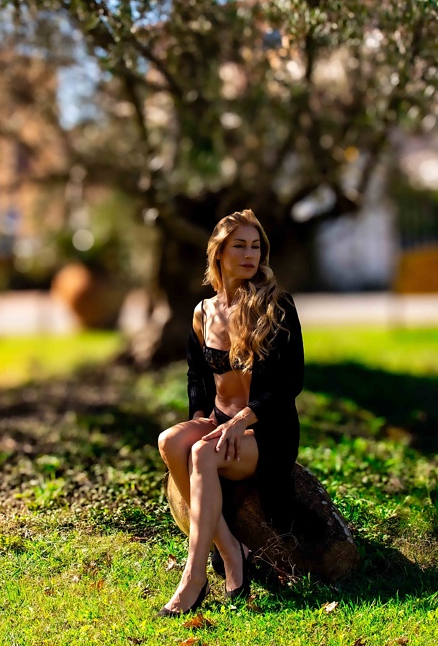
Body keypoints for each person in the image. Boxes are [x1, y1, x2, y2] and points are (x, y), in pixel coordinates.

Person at [157, 209, 304, 617]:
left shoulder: (277, 306)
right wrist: (200, 414)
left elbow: (290, 382)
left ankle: (194, 577)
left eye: (255, 246)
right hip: (222, 422)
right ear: (218, 253)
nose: (249, 254)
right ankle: (231, 548)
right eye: (239, 246)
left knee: (202, 453)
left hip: (266, 430)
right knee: (170, 441)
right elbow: (197, 374)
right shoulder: (203, 313)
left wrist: (241, 421)